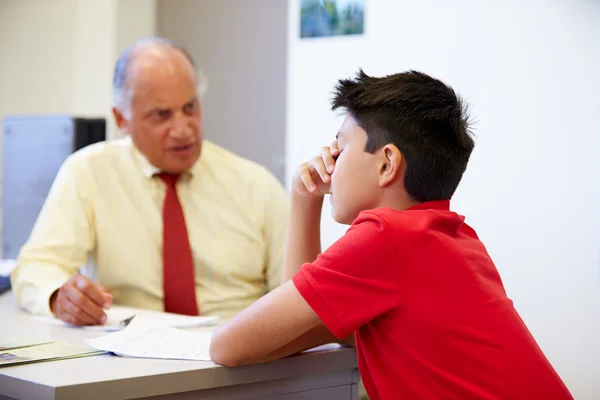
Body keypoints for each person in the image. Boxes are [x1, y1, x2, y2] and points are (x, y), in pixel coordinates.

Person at [208, 70, 574, 399]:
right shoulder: (452, 237)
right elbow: (295, 330)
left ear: (386, 163)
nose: (329, 161)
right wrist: (305, 200)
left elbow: (227, 346)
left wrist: (302, 200)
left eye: (340, 145)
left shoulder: (386, 238)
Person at [10, 37, 288, 325]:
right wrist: (59, 296)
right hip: (129, 355)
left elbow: (296, 293)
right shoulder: (88, 172)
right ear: (121, 119)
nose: (183, 130)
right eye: (161, 115)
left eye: (190, 108)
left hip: (239, 351)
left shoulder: (257, 186)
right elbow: (37, 265)